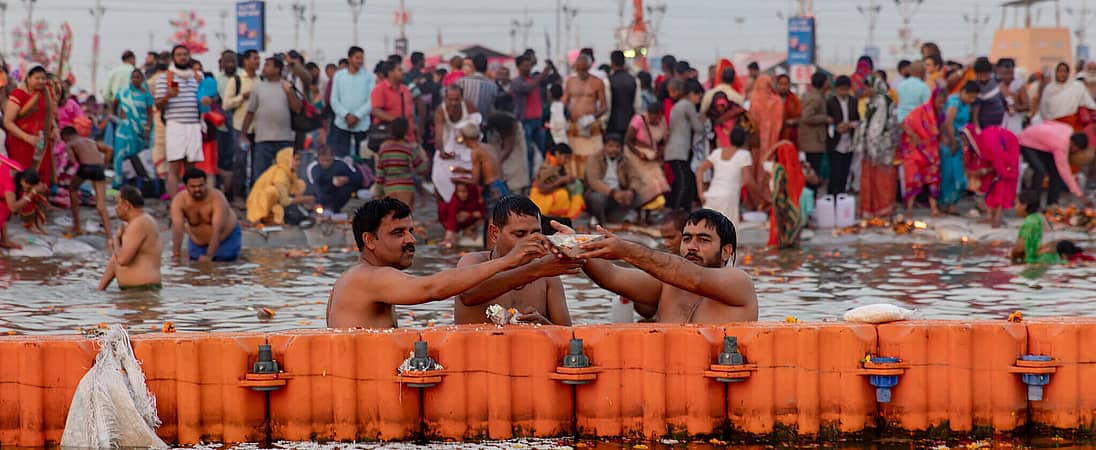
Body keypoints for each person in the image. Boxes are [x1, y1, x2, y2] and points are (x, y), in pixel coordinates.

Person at [326, 198, 548, 328]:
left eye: (410, 231)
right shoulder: (366, 277)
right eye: (398, 233)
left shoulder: (360, 277)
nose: (411, 240)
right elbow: (433, 288)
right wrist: (510, 261)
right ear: (370, 240)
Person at [554, 208, 758, 323]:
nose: (691, 247)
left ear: (726, 251)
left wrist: (625, 249)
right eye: (686, 239)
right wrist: (574, 243)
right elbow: (612, 276)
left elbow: (695, 278)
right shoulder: (667, 286)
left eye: (703, 240)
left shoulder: (739, 282)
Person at [454, 195, 577, 325]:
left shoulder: (547, 274)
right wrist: (535, 271)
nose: (531, 240)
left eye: (536, 233)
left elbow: (567, 336)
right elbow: (468, 295)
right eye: (520, 234)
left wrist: (544, 324)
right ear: (494, 234)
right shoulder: (472, 261)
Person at [241, 57, 301, 183]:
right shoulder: (258, 88)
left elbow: (296, 108)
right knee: (262, 175)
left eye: (268, 65)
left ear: (277, 69)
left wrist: (289, 92)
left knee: (286, 174)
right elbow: (250, 112)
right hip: (263, 139)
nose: (264, 68)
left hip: (284, 139)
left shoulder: (287, 86)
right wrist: (243, 133)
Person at [155, 45, 205, 197]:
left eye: (185, 54)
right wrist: (167, 97)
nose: (182, 57)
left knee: (191, 166)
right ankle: (174, 203)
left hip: (194, 125)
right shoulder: (165, 78)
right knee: (174, 166)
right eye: (179, 55)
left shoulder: (197, 77)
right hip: (176, 125)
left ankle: (191, 201)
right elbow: (157, 104)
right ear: (173, 58)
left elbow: (206, 98)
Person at [98, 186, 162, 291]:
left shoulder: (140, 223)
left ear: (126, 205)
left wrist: (115, 241)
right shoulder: (130, 224)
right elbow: (115, 260)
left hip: (143, 293)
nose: (115, 207)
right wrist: (99, 290)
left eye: (117, 203)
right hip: (131, 293)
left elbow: (123, 260)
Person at [171, 167, 241, 262]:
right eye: (193, 187)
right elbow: (178, 229)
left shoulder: (217, 198)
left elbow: (218, 230)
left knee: (223, 260)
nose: (197, 189)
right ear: (186, 186)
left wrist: (208, 256)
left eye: (201, 185)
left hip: (225, 239)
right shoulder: (179, 201)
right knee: (194, 262)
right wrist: (176, 255)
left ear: (206, 184)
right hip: (198, 243)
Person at [854, 76, 899, 219]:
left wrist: (871, 145)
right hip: (871, 148)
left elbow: (878, 127)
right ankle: (872, 209)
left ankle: (882, 209)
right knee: (871, 178)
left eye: (867, 87)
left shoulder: (883, 101)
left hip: (880, 149)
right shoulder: (872, 101)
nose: (865, 90)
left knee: (881, 179)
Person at [1018, 121, 1091, 207]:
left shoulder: (1068, 129)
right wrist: (1080, 195)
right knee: (1039, 170)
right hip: (1025, 142)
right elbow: (1065, 173)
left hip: (1038, 139)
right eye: (1077, 150)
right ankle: (1032, 206)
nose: (1075, 152)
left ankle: (1052, 205)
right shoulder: (1061, 146)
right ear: (1074, 145)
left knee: (1056, 173)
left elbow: (1049, 122)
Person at [960, 125, 1020, 228]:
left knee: (1001, 182)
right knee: (988, 181)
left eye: (965, 139)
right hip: (996, 154)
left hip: (1007, 147)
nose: (964, 142)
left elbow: (999, 165)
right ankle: (989, 216)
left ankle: (998, 215)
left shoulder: (988, 142)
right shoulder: (976, 145)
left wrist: (986, 170)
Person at [4, 66, 54, 184]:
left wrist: (53, 130)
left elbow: (48, 116)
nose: (41, 81)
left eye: (43, 78)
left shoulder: (45, 94)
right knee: (22, 177)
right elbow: (7, 122)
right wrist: (27, 137)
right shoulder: (18, 94)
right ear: (28, 78)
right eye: (37, 78)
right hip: (21, 143)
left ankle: (36, 201)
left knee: (40, 177)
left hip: (40, 142)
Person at [61, 126, 112, 242]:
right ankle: (109, 236)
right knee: (101, 205)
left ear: (66, 137)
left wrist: (65, 170)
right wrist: (104, 166)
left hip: (85, 167)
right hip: (98, 168)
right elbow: (109, 150)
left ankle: (77, 226)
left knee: (73, 189)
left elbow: (72, 161)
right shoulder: (90, 140)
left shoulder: (70, 143)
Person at [900, 88, 946, 214]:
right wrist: (913, 135)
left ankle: (934, 209)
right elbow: (905, 123)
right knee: (913, 178)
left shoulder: (941, 113)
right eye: (939, 101)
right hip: (916, 148)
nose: (941, 104)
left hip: (932, 150)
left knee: (933, 179)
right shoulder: (922, 110)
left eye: (943, 102)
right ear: (933, 99)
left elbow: (940, 131)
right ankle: (909, 209)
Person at [584, 133, 648, 225]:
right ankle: (601, 222)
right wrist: (613, 193)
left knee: (638, 197)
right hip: (602, 192)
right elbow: (594, 181)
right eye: (610, 146)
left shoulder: (625, 159)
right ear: (604, 146)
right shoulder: (594, 158)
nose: (614, 149)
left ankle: (629, 218)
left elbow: (635, 178)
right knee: (597, 199)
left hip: (620, 194)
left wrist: (631, 191)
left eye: (617, 146)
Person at [221, 49, 260, 197]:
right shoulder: (236, 80)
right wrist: (242, 97)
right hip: (240, 128)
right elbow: (226, 104)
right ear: (246, 61)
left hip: (258, 127)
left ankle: (255, 195)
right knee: (240, 162)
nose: (258, 62)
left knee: (257, 163)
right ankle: (238, 195)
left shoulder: (260, 80)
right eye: (255, 58)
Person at [562, 54, 607, 179]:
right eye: (579, 69)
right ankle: (578, 184)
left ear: (589, 67)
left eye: (584, 69)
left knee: (593, 156)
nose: (581, 72)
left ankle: (593, 182)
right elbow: (565, 102)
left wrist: (591, 118)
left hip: (591, 125)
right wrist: (564, 115)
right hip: (574, 125)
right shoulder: (570, 82)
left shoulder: (597, 82)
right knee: (575, 157)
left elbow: (604, 106)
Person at [624, 102, 670, 218]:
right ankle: (639, 215)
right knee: (643, 183)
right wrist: (640, 154)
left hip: (651, 157)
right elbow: (628, 141)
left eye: (659, 117)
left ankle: (648, 216)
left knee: (656, 184)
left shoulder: (662, 122)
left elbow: (663, 142)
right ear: (649, 114)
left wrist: (659, 153)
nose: (656, 119)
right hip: (635, 156)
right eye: (654, 117)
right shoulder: (638, 120)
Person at [697, 126, 752, 224]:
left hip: (711, 197)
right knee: (728, 234)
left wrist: (701, 193)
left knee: (709, 233)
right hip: (728, 199)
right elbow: (748, 180)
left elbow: (700, 169)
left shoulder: (717, 153)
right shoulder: (744, 155)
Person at [111, 69, 155, 189]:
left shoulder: (146, 95)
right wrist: (115, 118)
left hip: (139, 131)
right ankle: (117, 185)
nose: (135, 79)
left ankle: (134, 185)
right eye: (133, 77)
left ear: (142, 79)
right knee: (120, 156)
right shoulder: (123, 92)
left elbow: (150, 113)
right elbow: (113, 106)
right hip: (124, 129)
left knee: (135, 157)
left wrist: (147, 126)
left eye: (138, 77)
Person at [938, 81, 978, 214]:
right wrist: (952, 141)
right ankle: (945, 204)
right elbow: (948, 123)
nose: (972, 100)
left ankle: (952, 204)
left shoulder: (966, 104)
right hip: (949, 142)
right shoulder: (954, 102)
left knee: (959, 176)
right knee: (949, 175)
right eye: (970, 96)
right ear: (963, 92)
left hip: (960, 142)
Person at [246, 148, 313, 225]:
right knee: (272, 191)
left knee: (300, 184)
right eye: (296, 160)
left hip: (276, 202)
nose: (299, 163)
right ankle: (260, 217)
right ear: (287, 159)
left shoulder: (289, 171)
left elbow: (294, 190)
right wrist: (303, 199)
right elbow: (284, 201)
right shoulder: (280, 175)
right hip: (259, 205)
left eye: (299, 160)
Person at [329, 46, 375, 158]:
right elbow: (334, 99)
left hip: (362, 124)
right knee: (342, 159)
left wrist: (357, 116)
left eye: (361, 58)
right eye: (357, 58)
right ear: (349, 59)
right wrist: (346, 115)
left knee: (363, 159)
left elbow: (371, 100)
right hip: (342, 124)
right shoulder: (339, 76)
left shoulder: (368, 77)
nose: (360, 61)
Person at [666, 78, 703, 210]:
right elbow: (698, 127)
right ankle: (677, 212)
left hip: (674, 149)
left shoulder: (677, 106)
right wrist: (703, 119)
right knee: (684, 183)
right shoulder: (687, 105)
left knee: (683, 181)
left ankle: (682, 210)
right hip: (679, 150)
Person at [374, 117, 427, 210]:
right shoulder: (409, 149)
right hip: (406, 187)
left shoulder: (383, 150)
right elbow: (422, 170)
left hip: (389, 188)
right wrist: (424, 157)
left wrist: (377, 194)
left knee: (392, 219)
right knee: (404, 219)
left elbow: (379, 175)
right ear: (406, 131)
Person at [512, 54, 551, 178]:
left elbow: (554, 78)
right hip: (525, 121)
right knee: (527, 152)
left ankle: (542, 176)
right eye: (525, 66)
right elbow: (527, 89)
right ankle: (528, 179)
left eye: (529, 65)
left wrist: (550, 67)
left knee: (542, 150)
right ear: (519, 67)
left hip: (537, 120)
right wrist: (542, 75)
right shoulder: (517, 82)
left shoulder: (533, 80)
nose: (528, 68)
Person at [1035, 61, 1096, 130]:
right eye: (1060, 71)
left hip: (1072, 125)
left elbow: (1090, 104)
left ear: (1068, 73)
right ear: (1055, 72)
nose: (1062, 74)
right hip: (1053, 127)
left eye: (1065, 71)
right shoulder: (1048, 89)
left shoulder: (1077, 87)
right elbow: (1044, 109)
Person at [768, 141, 806, 249]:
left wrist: (776, 145)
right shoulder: (798, 172)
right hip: (796, 215)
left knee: (780, 247)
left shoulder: (777, 169)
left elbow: (763, 160)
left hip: (780, 211)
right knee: (794, 249)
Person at [1, 159, 46, 249]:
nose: (27, 190)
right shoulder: (9, 184)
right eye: (28, 187)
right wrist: (32, 193)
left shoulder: (19, 170)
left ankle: (4, 240)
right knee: (4, 209)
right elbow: (13, 208)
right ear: (23, 181)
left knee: (4, 208)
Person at [826, 75, 860, 195]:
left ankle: (842, 196)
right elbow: (827, 122)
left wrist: (850, 125)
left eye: (846, 89)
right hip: (835, 142)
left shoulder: (854, 102)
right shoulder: (830, 102)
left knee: (845, 172)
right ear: (836, 89)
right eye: (841, 89)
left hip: (849, 141)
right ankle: (832, 196)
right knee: (835, 173)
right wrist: (836, 128)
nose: (843, 92)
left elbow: (858, 120)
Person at [700, 62, 746, 150]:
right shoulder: (737, 97)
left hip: (712, 139)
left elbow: (703, 115)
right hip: (731, 139)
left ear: (720, 78)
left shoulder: (709, 94)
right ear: (733, 80)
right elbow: (741, 119)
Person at [1011, 190, 1063, 264]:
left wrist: (1012, 257)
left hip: (1039, 262)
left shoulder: (1029, 221)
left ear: (1024, 205)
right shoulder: (1042, 217)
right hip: (1054, 260)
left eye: (1016, 204)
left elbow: (1019, 249)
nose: (1015, 207)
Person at [306, 147, 363, 214]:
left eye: (328, 160)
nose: (325, 163)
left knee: (348, 188)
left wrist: (346, 179)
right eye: (322, 160)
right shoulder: (313, 168)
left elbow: (358, 177)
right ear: (318, 159)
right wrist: (319, 202)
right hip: (321, 193)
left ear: (333, 157)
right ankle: (324, 208)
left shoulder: (341, 164)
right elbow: (314, 187)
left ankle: (334, 209)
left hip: (337, 193)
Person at [484, 112, 530, 194]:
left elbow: (508, 148)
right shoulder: (496, 129)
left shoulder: (512, 125)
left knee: (515, 180)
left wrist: (498, 163)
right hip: (503, 156)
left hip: (514, 156)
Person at [371, 61, 416, 143]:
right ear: (390, 73)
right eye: (399, 70)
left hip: (408, 137)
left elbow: (409, 113)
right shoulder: (379, 89)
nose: (403, 72)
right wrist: (397, 122)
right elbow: (376, 111)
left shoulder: (405, 90)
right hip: (388, 137)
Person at [799, 72, 831, 180]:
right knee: (813, 171)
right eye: (827, 81)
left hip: (814, 141)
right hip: (812, 141)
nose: (829, 83)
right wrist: (824, 118)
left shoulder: (818, 95)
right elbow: (806, 117)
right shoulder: (814, 98)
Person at [750, 74, 785, 163]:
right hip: (771, 139)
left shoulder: (754, 101)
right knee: (768, 159)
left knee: (756, 159)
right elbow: (779, 123)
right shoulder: (777, 101)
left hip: (756, 139)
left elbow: (751, 122)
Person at [607, 50, 638, 139]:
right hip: (630, 121)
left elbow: (608, 105)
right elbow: (637, 105)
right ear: (624, 62)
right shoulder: (634, 80)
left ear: (612, 63)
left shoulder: (608, 80)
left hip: (612, 122)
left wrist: (604, 123)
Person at [970, 57, 1006, 130]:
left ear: (990, 72)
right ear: (976, 74)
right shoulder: (974, 87)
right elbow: (975, 116)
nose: (983, 78)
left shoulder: (997, 80)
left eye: (986, 74)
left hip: (1002, 125)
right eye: (980, 75)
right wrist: (978, 130)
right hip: (986, 128)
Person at [997, 59, 1030, 135]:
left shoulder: (1019, 86)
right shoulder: (999, 85)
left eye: (1009, 73)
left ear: (1013, 73)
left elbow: (1027, 106)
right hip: (1001, 121)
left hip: (1015, 121)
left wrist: (1014, 107)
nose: (1007, 76)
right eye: (1004, 74)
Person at [776, 74, 801, 143]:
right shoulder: (772, 99)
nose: (783, 87)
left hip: (790, 136)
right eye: (781, 84)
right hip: (775, 136)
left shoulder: (795, 99)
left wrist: (793, 121)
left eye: (785, 84)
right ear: (777, 85)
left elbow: (800, 117)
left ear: (789, 85)